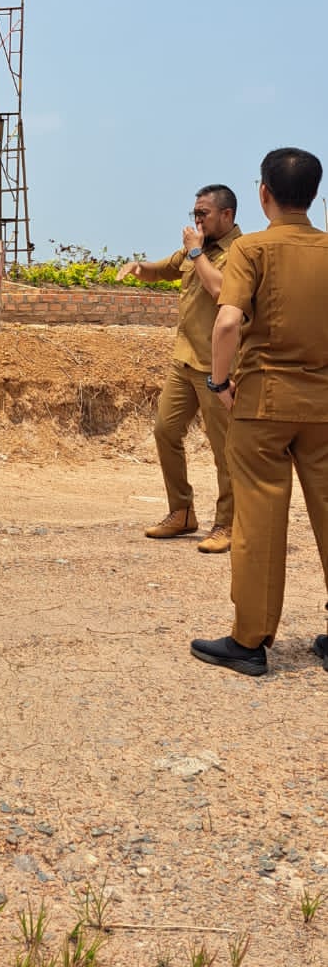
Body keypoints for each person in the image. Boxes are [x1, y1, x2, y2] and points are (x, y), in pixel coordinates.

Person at [191, 148, 328, 677]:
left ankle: (250, 641)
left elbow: (227, 323)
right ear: (314, 195)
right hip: (323, 406)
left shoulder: (253, 248)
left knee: (259, 520)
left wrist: (219, 381)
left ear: (264, 193)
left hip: (264, 403)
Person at [117, 186, 241, 551]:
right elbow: (166, 269)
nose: (197, 220)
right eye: (195, 214)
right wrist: (138, 268)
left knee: (226, 450)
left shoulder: (240, 253)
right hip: (184, 362)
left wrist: (197, 251)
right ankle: (182, 513)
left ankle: (229, 524)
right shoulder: (194, 249)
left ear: (227, 215)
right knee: (165, 431)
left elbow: (221, 290)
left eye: (203, 213)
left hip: (219, 368)